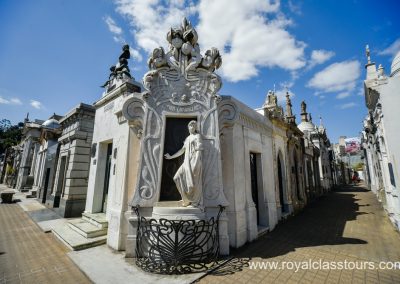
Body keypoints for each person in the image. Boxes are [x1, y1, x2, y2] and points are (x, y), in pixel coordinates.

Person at [164, 121, 203, 208]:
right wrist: (171, 157)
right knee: (176, 177)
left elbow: (199, 150)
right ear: (188, 127)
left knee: (194, 183)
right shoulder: (188, 138)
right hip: (186, 162)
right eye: (191, 125)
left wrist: (196, 162)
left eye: (194, 126)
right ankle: (186, 199)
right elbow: (182, 150)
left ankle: (194, 201)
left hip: (194, 161)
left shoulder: (198, 136)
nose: (192, 127)